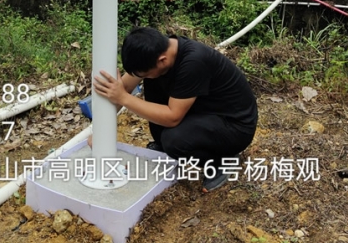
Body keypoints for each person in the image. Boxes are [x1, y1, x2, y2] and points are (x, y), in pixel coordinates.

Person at [93, 26, 257, 193]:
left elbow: (172, 117)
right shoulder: (154, 54)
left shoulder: (193, 62)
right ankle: (169, 146)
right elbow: (124, 87)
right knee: (160, 129)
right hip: (204, 113)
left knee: (174, 140)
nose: (142, 76)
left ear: (162, 60)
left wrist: (124, 98)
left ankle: (221, 161)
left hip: (234, 126)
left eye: (144, 73)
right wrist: (100, 131)